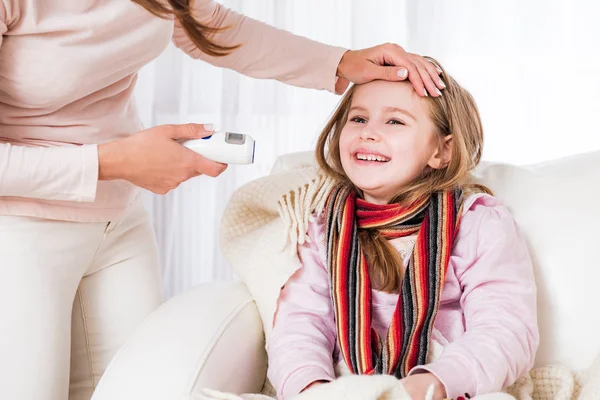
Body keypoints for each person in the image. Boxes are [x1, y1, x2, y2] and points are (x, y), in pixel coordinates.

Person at [0, 1, 446, 399]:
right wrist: (111, 161)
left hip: (119, 222)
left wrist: (341, 62)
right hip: (21, 230)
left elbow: (208, 25)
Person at [266, 58, 539, 400]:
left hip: (450, 384)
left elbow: (506, 330)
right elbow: (300, 324)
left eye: (394, 120)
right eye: (359, 118)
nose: (369, 131)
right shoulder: (324, 228)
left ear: (442, 150)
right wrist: (311, 389)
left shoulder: (479, 223)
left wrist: (429, 386)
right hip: (348, 383)